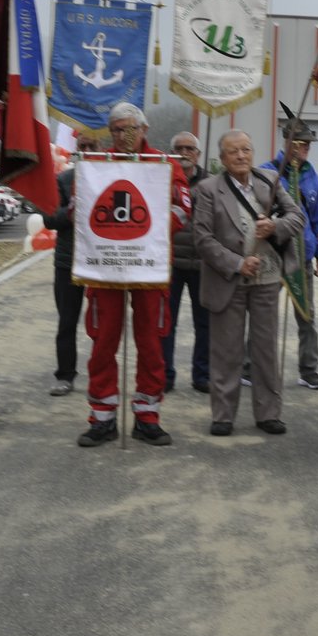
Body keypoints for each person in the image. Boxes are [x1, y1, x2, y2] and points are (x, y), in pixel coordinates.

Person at [75, 103, 190, 448]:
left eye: (128, 128)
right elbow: (77, 211)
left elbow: (183, 209)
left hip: (148, 266)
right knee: (103, 341)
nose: (122, 135)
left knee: (152, 342)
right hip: (105, 268)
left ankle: (147, 415)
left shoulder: (165, 166)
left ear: (144, 129)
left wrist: (147, 235)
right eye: (115, 129)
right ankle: (103, 417)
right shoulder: (94, 167)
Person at [194, 130, 304, 436]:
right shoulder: (207, 189)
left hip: (267, 278)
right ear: (222, 158)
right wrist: (237, 263)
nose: (241, 156)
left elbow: (297, 217)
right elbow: (202, 239)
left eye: (246, 149)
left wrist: (275, 226)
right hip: (228, 279)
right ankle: (223, 415)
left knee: (265, 349)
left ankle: (268, 412)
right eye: (233, 152)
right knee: (226, 350)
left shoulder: (269, 180)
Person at [261, 115, 318, 390]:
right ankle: (250, 366)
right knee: (264, 315)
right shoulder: (267, 172)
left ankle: (308, 370)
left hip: (303, 255)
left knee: (307, 316)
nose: (305, 150)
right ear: (288, 142)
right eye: (301, 144)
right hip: (273, 255)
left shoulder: (312, 176)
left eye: (308, 145)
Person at [44, 131, 98, 396]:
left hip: (102, 262)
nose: (87, 149)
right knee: (67, 321)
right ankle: (65, 375)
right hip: (68, 262)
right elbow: (49, 219)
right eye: (82, 146)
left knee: (103, 324)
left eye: (92, 145)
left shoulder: (111, 176)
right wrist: (72, 210)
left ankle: (102, 376)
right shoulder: (63, 180)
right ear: (76, 150)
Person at [164, 131, 211, 394]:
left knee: (204, 323)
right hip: (171, 262)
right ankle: (165, 374)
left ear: (198, 154)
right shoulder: (163, 177)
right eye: (179, 148)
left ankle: (202, 374)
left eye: (189, 149)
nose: (184, 153)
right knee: (166, 322)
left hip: (203, 264)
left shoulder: (212, 183)